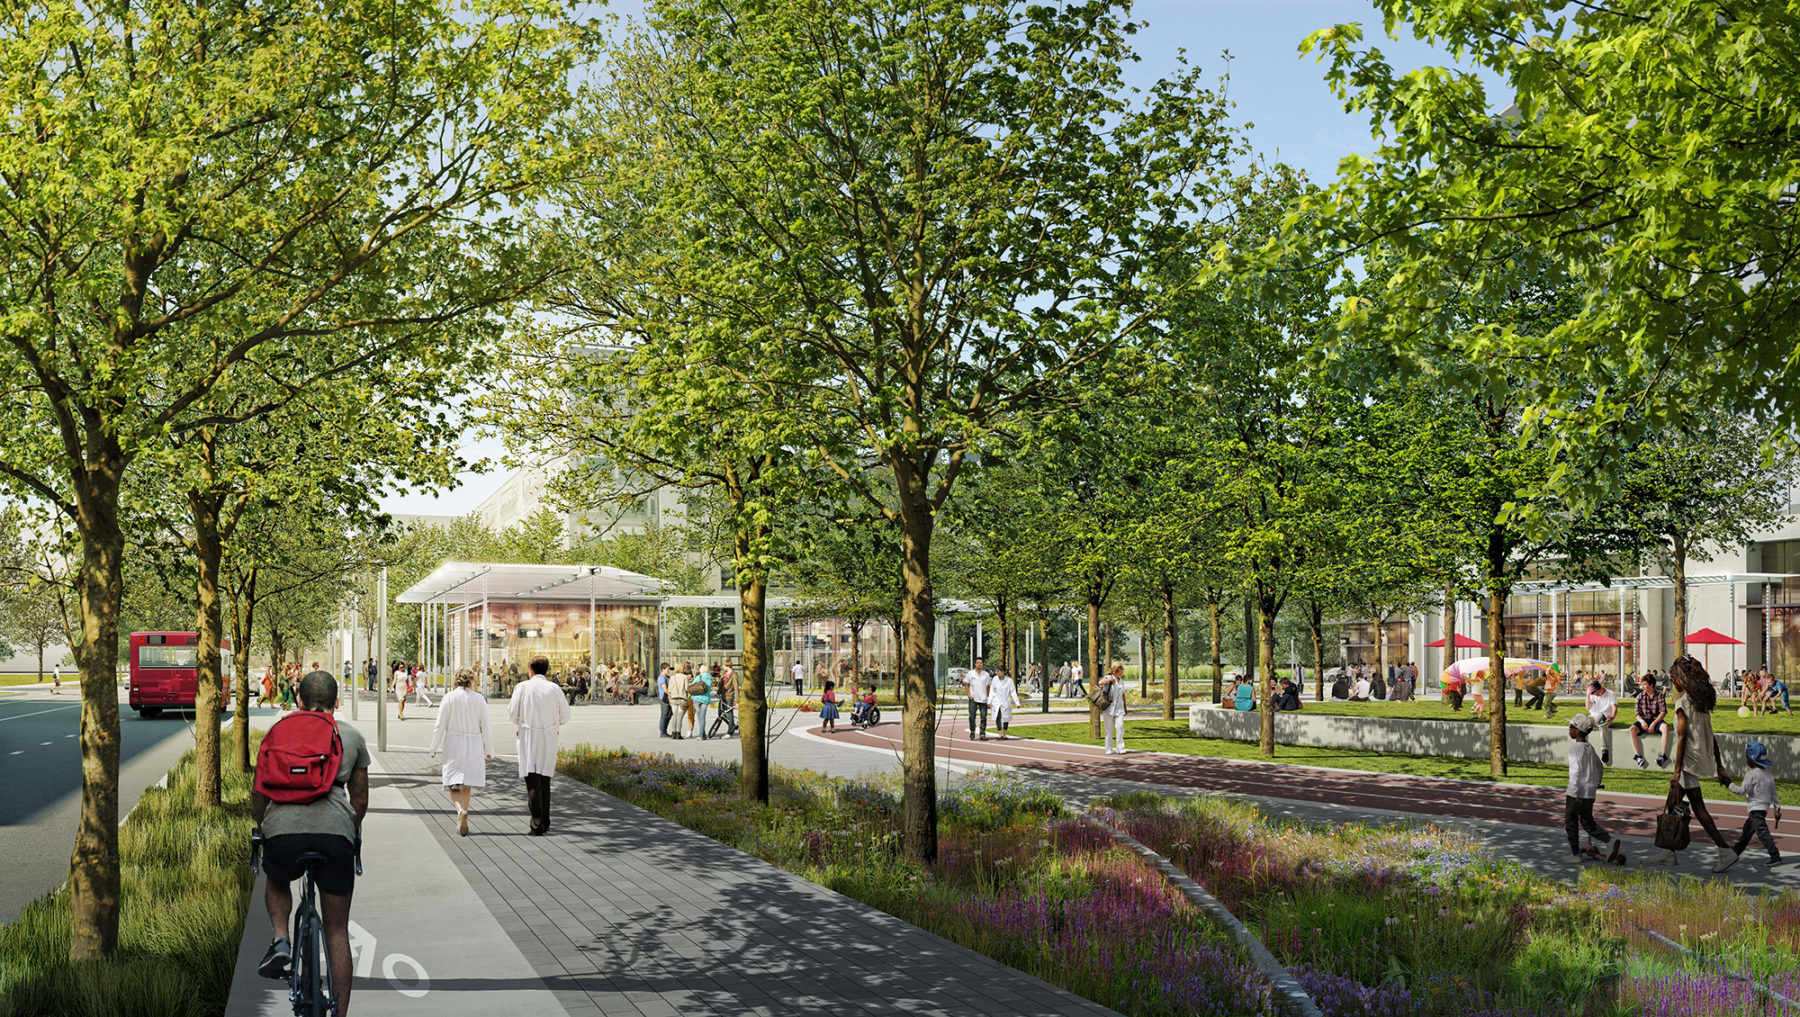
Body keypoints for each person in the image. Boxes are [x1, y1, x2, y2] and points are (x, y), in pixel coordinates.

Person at [252, 670, 369, 1013]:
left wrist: (266, 827)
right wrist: (351, 829)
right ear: (336, 702)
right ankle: (341, 1012)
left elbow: (259, 792)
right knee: (337, 931)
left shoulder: (277, 732)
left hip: (283, 830)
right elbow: (359, 799)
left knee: (276, 878)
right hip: (334, 835)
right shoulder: (351, 736)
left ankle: (280, 938)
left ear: (299, 700)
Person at [1644, 655, 1736, 870]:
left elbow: (1683, 737)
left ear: (1679, 678)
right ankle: (1669, 851)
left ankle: (1725, 851)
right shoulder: (1700, 703)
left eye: (1673, 677)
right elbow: (1711, 736)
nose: (1672, 681)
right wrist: (1720, 766)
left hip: (1687, 763)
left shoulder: (1683, 703)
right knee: (1675, 803)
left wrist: (1676, 772)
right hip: (1698, 759)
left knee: (1695, 807)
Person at [508, 656, 571, 836]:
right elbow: (565, 716)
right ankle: (545, 821)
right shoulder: (554, 688)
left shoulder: (522, 687)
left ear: (531, 670)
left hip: (528, 735)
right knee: (545, 779)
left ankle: (537, 824)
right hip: (549, 736)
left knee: (532, 779)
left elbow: (512, 713)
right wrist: (553, 723)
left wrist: (521, 721)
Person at [430, 668, 495, 837]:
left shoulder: (449, 698)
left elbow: (440, 724)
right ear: (471, 680)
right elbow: (486, 726)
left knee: (453, 782)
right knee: (466, 784)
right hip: (473, 743)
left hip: (454, 743)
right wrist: (489, 749)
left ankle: (460, 811)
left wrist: (434, 747)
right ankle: (464, 811)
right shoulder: (479, 699)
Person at [1564, 714, 1624, 864]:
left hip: (1576, 792)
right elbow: (1599, 766)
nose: (1569, 729)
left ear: (1578, 731)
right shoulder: (1589, 748)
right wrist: (1596, 783)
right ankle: (1609, 841)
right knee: (1587, 821)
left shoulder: (1574, 748)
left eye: (1572, 727)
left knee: (1571, 822)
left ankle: (1575, 854)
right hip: (1589, 792)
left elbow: (1575, 770)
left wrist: (1575, 792)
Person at [1725, 741, 1783, 867]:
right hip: (1763, 808)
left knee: (1762, 832)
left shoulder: (1751, 774)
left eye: (1747, 758)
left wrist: (1728, 784)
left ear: (1752, 759)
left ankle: (1775, 855)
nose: (1746, 760)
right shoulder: (1769, 775)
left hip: (1756, 809)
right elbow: (1774, 796)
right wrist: (1777, 810)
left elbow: (1741, 791)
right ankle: (1736, 851)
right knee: (1748, 830)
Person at [1630, 672, 1671, 769]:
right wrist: (1642, 722)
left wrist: (1654, 723)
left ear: (1651, 684)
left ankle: (1663, 756)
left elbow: (1663, 712)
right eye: (1642, 684)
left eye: (1644, 684)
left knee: (1665, 727)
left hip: (1656, 720)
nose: (1642, 686)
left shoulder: (1660, 696)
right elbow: (1637, 714)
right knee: (1632, 729)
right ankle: (1638, 756)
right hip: (1644, 721)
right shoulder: (1639, 697)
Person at [1585, 677, 1618, 767]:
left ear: (1599, 689)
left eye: (1594, 693)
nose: (1594, 695)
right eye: (1591, 693)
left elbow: (1614, 708)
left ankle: (1605, 751)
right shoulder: (1591, 695)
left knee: (1603, 725)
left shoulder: (1610, 694)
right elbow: (1588, 708)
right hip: (1593, 717)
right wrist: (1588, 696)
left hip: (1606, 718)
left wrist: (1612, 716)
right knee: (1582, 722)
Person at [1099, 661, 1127, 754]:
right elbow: (1100, 682)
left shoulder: (1121, 681)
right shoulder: (1109, 677)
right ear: (1118, 669)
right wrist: (1110, 680)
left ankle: (1120, 747)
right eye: (1122, 668)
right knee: (1108, 729)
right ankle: (1108, 748)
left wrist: (1125, 708)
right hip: (1108, 708)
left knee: (1120, 727)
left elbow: (1123, 695)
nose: (1123, 670)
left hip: (1119, 708)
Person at [990, 666, 1020, 739]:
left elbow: (1013, 692)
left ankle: (1004, 734)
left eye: (998, 671)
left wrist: (1017, 703)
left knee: (1006, 718)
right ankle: (999, 734)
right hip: (996, 702)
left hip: (1005, 701)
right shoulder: (994, 679)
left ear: (1003, 672)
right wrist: (989, 701)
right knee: (998, 717)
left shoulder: (1009, 681)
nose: (996, 673)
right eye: (996, 671)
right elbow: (992, 691)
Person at [966, 657, 992, 740]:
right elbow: (966, 684)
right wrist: (969, 694)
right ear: (975, 664)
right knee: (972, 716)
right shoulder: (970, 673)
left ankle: (982, 733)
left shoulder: (986, 675)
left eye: (981, 662)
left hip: (983, 698)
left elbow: (988, 686)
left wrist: (988, 697)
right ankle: (972, 731)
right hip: (973, 698)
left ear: (983, 664)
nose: (979, 664)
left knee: (983, 717)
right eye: (978, 662)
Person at [666, 663, 690, 739]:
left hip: (673, 699)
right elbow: (687, 689)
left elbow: (669, 690)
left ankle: (673, 733)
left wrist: (669, 699)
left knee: (674, 716)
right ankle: (678, 733)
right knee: (679, 717)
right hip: (682, 699)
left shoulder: (672, 678)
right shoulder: (684, 677)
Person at [691, 664, 715, 739]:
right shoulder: (710, 678)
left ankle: (701, 735)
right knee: (702, 717)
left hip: (696, 699)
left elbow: (692, 685)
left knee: (699, 718)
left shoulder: (699, 677)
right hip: (705, 699)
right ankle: (703, 734)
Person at [656, 663, 675, 738]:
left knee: (668, 715)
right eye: (667, 669)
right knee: (664, 715)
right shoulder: (661, 678)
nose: (669, 671)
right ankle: (662, 732)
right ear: (663, 669)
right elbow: (665, 690)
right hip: (664, 698)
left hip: (666, 698)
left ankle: (665, 731)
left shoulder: (665, 677)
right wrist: (671, 696)